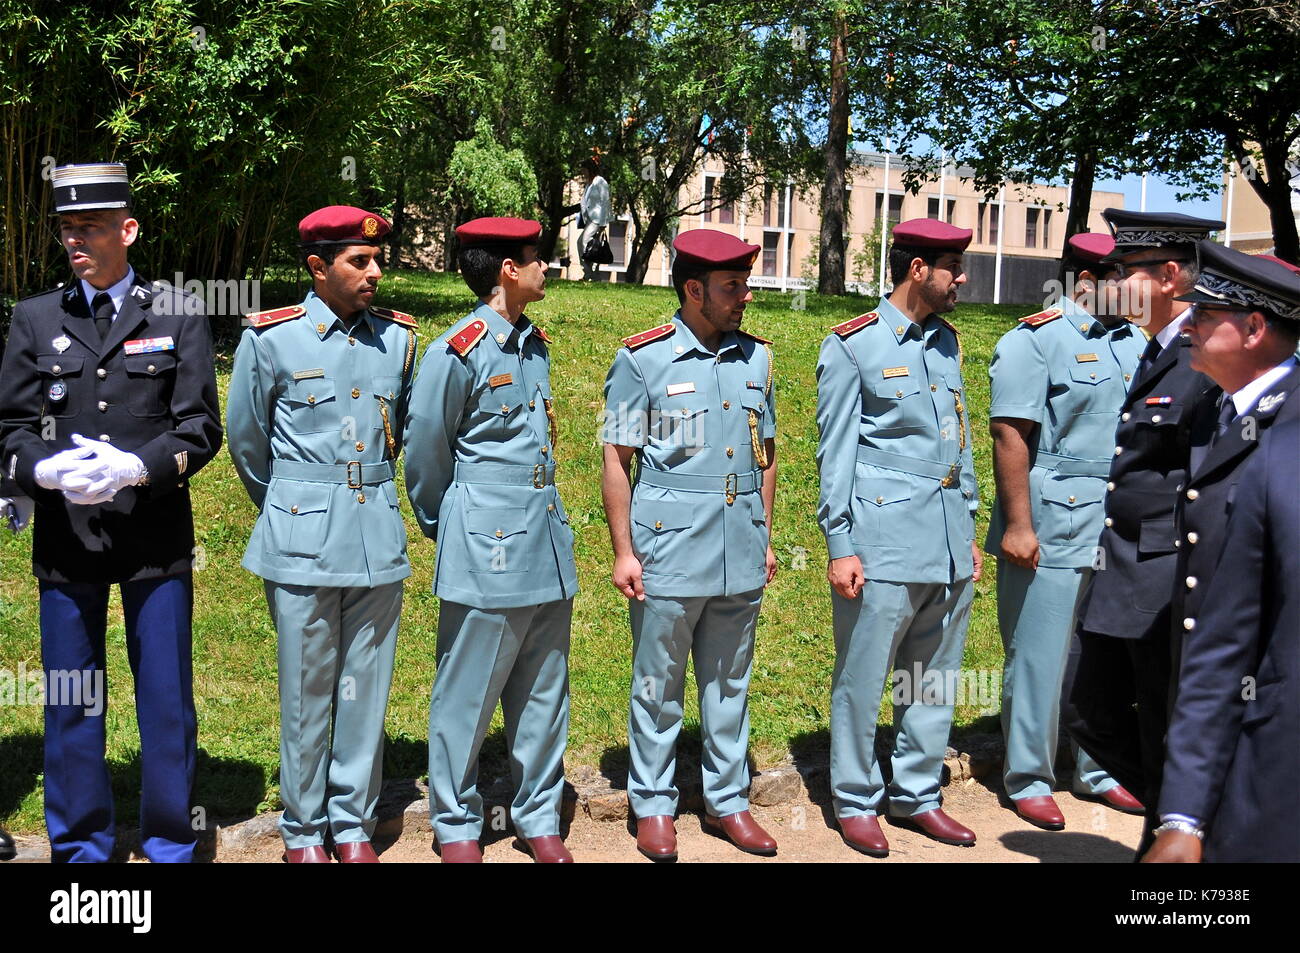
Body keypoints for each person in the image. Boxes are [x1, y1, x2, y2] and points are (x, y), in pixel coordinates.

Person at [0, 162, 222, 863]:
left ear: (127, 229)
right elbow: (10, 424)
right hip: (68, 541)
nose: (76, 241)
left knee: (163, 701)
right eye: (67, 229)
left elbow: (199, 429)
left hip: (154, 539)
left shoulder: (179, 311)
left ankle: (168, 845)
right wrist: (37, 469)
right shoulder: (36, 317)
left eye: (90, 227)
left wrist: (136, 467)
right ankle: (81, 852)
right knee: (71, 704)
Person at [226, 206, 417, 864]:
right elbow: (247, 443)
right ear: (317, 267)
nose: (374, 271)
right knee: (307, 693)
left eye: (377, 260)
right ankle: (304, 832)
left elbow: (409, 435)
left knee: (364, 691)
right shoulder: (271, 337)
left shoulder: (398, 339)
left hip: (376, 541)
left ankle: (354, 823)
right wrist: (292, 503)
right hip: (301, 541)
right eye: (357, 262)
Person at [601, 228, 778, 862]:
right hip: (669, 548)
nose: (745, 296)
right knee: (660, 681)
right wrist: (624, 550)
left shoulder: (756, 358)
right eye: (733, 287)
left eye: (745, 284)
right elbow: (617, 459)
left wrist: (765, 532)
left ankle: (728, 800)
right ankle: (653, 804)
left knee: (730, 682)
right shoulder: (642, 359)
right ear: (694, 288)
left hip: (739, 545)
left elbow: (767, 454)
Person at [404, 217, 578, 864]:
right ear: (508, 269)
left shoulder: (535, 344)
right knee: (468, 692)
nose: (546, 267)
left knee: (542, 690)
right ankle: (454, 822)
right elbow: (424, 454)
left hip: (544, 539)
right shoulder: (460, 348)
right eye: (536, 258)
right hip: (486, 543)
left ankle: (537, 816)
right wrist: (447, 525)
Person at [815, 218, 981, 857]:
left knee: (933, 678)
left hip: (944, 539)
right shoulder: (854, 345)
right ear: (918, 269)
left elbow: (957, 440)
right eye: (951, 267)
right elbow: (835, 456)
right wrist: (840, 545)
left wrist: (966, 523)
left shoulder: (946, 342)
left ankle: (916, 794)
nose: (960, 277)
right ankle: (855, 799)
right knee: (864, 677)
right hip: (881, 541)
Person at [1060, 209, 1223, 857]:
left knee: (1161, 718)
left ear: (1171, 276)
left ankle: (1174, 834)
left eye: (1126, 274)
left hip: (1164, 579)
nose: (1113, 285)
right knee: (1087, 708)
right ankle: (1175, 820)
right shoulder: (1153, 349)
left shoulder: (1200, 357)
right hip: (1122, 570)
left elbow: (1207, 480)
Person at [1141, 243, 1300, 863]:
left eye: (1206, 317)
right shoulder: (1255, 432)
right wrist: (1182, 815)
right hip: (1233, 705)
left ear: (1255, 328)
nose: (1191, 327)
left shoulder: (1279, 433)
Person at [984, 232, 1145, 830]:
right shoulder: (1035, 341)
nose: (1133, 288)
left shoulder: (1135, 341)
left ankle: (1098, 768)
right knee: (1040, 653)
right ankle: (1028, 776)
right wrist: (1019, 524)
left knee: (1103, 651)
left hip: (1117, 517)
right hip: (1051, 517)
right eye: (1121, 276)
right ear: (1084, 279)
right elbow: (1009, 437)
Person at [578, 157, 611, 281]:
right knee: (586, 244)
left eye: (584, 170)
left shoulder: (600, 182)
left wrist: (603, 222)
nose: (583, 173)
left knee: (584, 241)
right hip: (589, 219)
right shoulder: (588, 184)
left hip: (597, 219)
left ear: (590, 169)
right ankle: (590, 273)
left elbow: (605, 202)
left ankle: (590, 273)